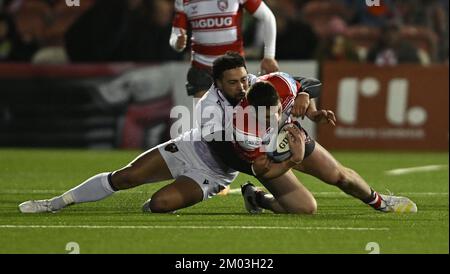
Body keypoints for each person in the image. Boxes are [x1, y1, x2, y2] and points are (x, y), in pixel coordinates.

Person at [18, 52, 302, 214]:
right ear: (217, 83)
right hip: (191, 149)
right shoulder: (209, 107)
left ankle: (155, 206)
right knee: (126, 177)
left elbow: (301, 84)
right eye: (232, 82)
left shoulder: (255, 86)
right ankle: (54, 203)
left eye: (243, 79)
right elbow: (226, 151)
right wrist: (264, 163)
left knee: (160, 204)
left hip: (213, 174)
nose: (242, 87)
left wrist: (306, 100)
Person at [233, 72, 418, 214]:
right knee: (305, 208)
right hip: (266, 155)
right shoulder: (243, 128)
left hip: (290, 135)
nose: (275, 118)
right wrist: (292, 160)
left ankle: (381, 202)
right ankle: (257, 197)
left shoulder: (281, 84)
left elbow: (310, 85)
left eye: (279, 111)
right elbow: (261, 169)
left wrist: (309, 106)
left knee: (340, 176)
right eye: (267, 117)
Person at [170, 0, 279, 99]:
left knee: (236, 118)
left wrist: (269, 56)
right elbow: (175, 34)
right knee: (206, 118)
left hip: (233, 69)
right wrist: (177, 43)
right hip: (202, 69)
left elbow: (267, 17)